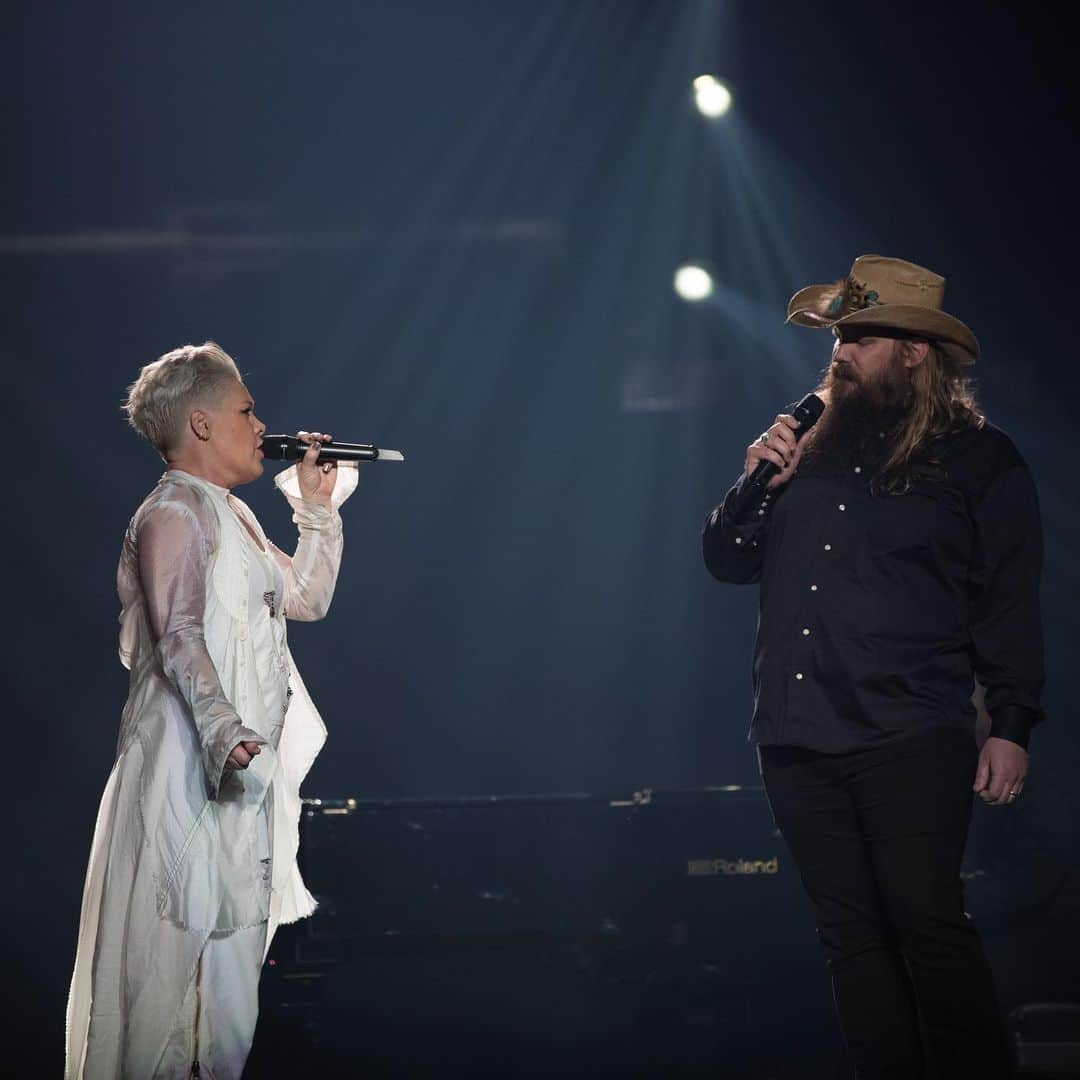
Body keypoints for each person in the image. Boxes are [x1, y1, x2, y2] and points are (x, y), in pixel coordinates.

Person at [702, 256, 1044, 1078]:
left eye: (860, 336)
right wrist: (757, 480)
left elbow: (1008, 601)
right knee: (849, 940)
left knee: (925, 924)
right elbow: (724, 560)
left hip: (911, 727)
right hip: (796, 732)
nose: (841, 352)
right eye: (837, 336)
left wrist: (1012, 723)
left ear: (916, 352)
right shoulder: (803, 453)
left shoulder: (977, 459)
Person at [65, 342, 359, 1079]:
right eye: (246, 410)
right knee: (164, 981)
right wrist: (227, 730)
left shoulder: (235, 516)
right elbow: (180, 633)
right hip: (187, 766)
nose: (261, 424)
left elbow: (307, 600)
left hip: (237, 777)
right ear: (201, 423)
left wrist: (316, 510)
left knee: (225, 1008)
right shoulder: (172, 511)